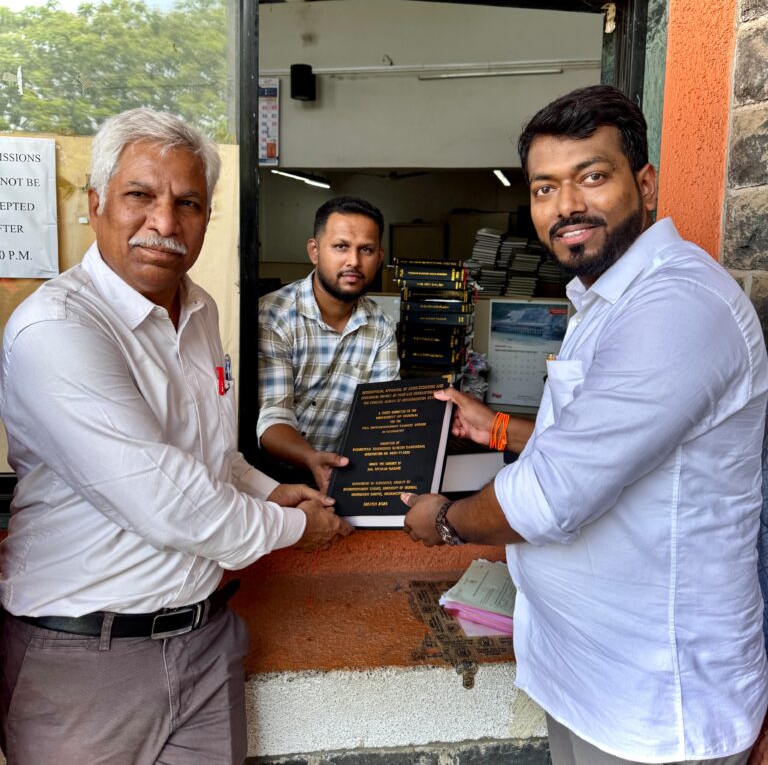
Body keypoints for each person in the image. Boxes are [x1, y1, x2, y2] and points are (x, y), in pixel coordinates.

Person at [403, 84, 768, 765]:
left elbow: (551, 495)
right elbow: (601, 445)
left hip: (656, 707)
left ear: (645, 183)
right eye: (545, 188)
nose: (566, 205)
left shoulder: (677, 304)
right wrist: (502, 429)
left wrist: (445, 521)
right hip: (584, 680)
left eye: (592, 177)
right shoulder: (607, 298)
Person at [0, 107, 353, 765]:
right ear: (96, 203)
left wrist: (271, 490)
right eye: (140, 195)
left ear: (207, 217)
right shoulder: (58, 329)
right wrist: (297, 527)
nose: (164, 223)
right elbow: (168, 500)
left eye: (187, 203)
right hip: (87, 658)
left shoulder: (201, 310)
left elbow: (211, 453)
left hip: (204, 640)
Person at [257, 196, 399, 492]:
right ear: (314, 251)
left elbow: (381, 417)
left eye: (366, 250)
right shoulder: (273, 316)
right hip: (269, 477)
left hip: (344, 473)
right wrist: (312, 459)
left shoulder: (381, 326)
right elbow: (273, 416)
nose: (354, 261)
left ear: (379, 256)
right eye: (341, 246)